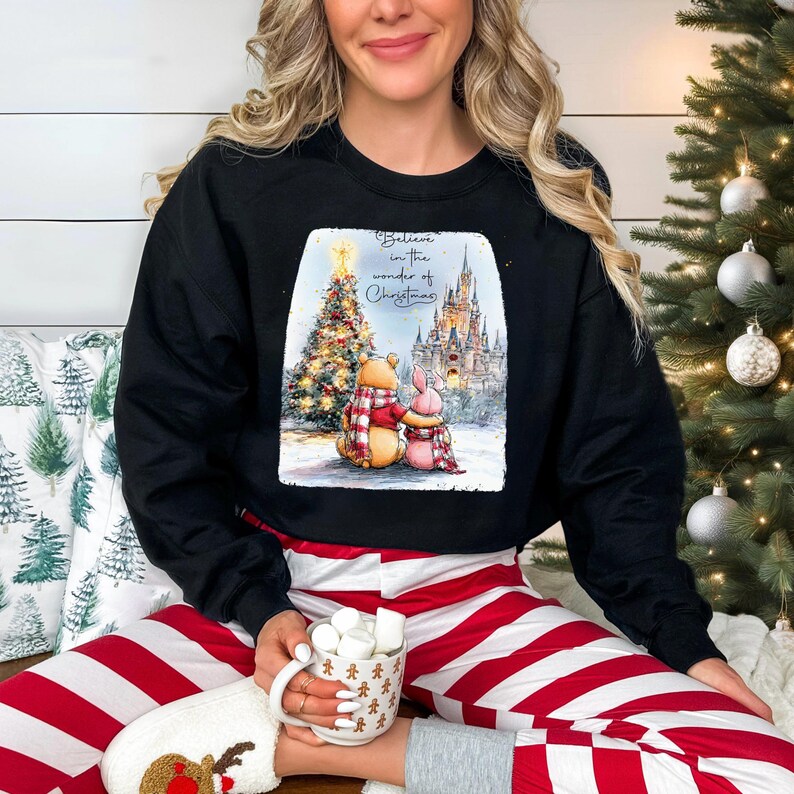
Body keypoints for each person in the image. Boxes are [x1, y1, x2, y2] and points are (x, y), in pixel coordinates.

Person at [2, 0, 793, 791]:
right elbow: (165, 434)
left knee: (755, 769)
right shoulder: (235, 186)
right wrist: (256, 604)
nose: (390, 7)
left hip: (476, 607)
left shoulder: (551, 188)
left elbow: (616, 459)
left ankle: (344, 749)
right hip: (272, 603)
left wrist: (684, 643)